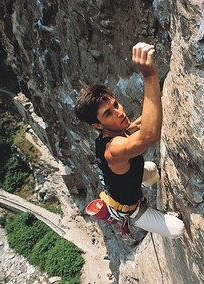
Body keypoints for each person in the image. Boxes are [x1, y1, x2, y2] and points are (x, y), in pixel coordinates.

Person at [74, 42, 184, 239]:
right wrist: (150, 75)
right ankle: (149, 218)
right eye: (108, 113)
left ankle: (150, 186)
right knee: (178, 229)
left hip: (122, 186)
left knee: (150, 170)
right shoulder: (113, 149)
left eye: (115, 104)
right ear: (98, 125)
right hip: (128, 209)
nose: (119, 113)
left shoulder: (110, 134)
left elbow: (136, 126)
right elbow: (149, 135)